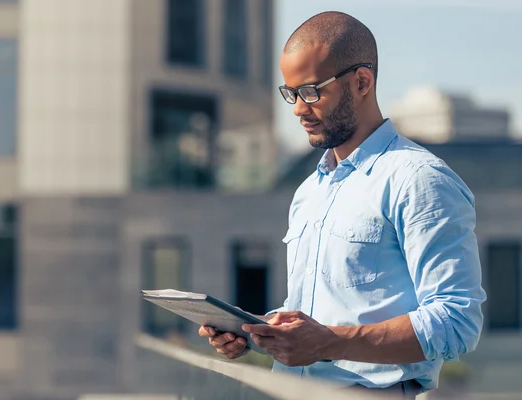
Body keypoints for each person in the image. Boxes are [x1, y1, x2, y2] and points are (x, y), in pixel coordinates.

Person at [199, 10, 486, 398]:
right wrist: (256, 332)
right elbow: (326, 316)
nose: (299, 108)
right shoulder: (309, 192)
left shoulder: (419, 179)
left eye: (312, 91)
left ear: (362, 81)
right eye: (291, 93)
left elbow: (457, 322)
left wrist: (329, 342)